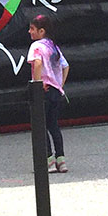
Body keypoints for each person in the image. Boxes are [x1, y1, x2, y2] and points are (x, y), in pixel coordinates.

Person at [27, 13, 70, 173]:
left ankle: (48, 159)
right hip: (55, 91)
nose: (29, 32)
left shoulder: (36, 47)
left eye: (32, 29)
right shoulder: (53, 47)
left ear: (41, 31)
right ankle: (61, 159)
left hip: (43, 90)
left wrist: (37, 84)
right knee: (53, 125)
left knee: (40, 126)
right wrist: (60, 85)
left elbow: (37, 63)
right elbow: (66, 66)